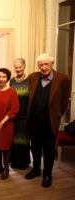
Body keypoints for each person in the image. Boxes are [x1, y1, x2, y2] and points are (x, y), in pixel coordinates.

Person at [25, 53, 71, 188]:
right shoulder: (32, 77)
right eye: (41, 65)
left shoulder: (63, 79)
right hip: (34, 120)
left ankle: (47, 174)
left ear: (52, 64)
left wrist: (56, 116)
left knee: (49, 150)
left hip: (49, 121)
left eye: (46, 64)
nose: (43, 67)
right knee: (35, 147)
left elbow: (63, 103)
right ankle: (36, 169)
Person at [9, 58, 31, 170]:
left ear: (24, 67)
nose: (18, 69)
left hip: (25, 115)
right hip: (14, 115)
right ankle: (14, 161)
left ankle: (24, 162)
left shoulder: (30, 80)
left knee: (24, 139)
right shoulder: (12, 81)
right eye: (16, 67)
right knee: (14, 139)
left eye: (20, 67)